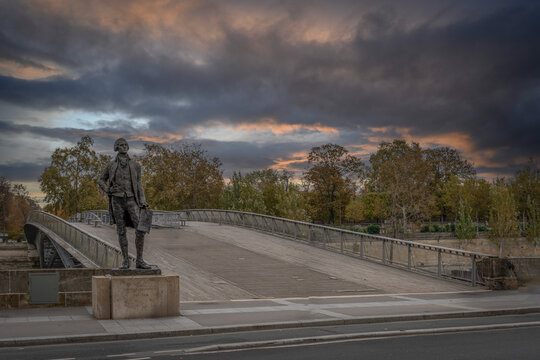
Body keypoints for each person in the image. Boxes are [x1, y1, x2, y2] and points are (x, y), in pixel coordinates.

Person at [98, 138, 151, 269]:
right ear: (116, 148)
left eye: (125, 145)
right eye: (121, 145)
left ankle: (139, 260)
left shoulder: (135, 165)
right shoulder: (111, 165)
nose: (124, 147)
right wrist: (108, 190)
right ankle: (125, 260)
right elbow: (101, 180)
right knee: (121, 231)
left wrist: (143, 200)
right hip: (117, 201)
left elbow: (139, 184)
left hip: (132, 199)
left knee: (140, 229)